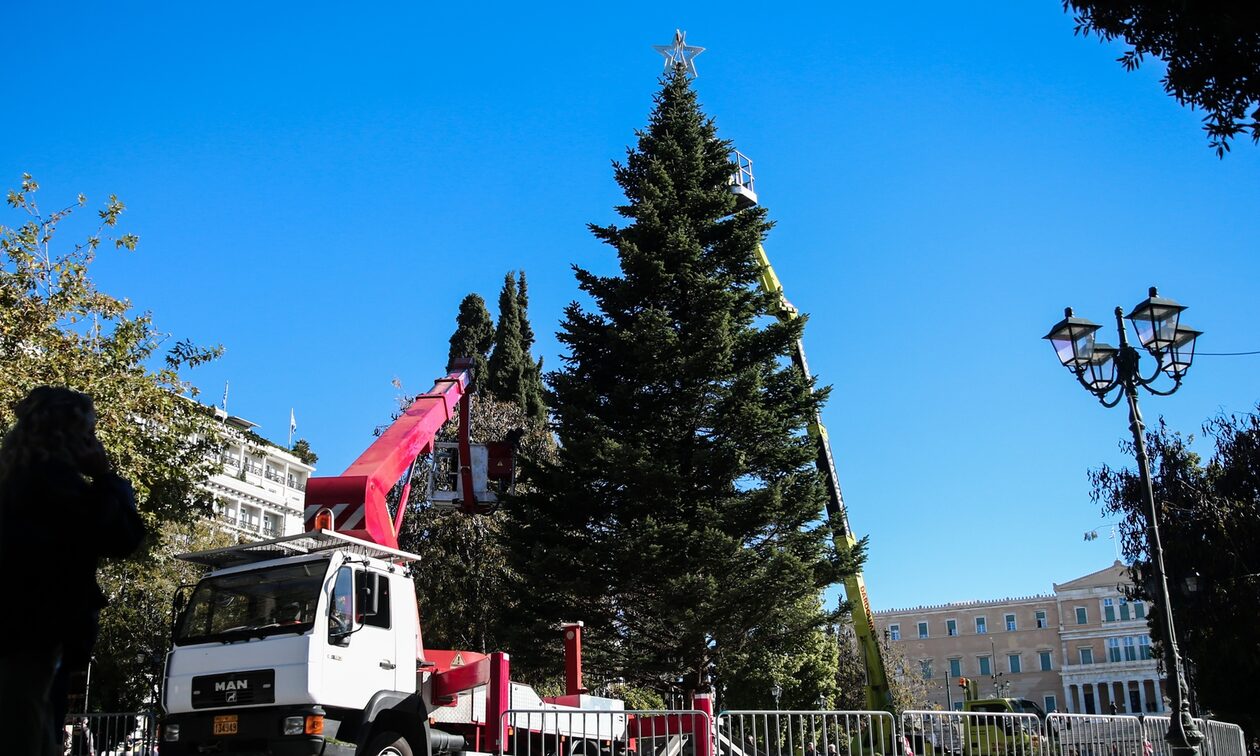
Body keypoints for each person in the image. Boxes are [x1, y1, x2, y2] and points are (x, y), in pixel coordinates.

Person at [0, 387, 145, 756]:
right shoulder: (57, 486)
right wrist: (108, 478)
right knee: (30, 728)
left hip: (23, 629)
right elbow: (123, 536)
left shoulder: (14, 480)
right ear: (72, 435)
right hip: (36, 632)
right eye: (90, 432)